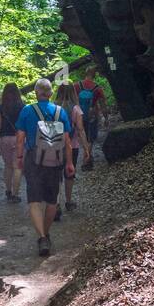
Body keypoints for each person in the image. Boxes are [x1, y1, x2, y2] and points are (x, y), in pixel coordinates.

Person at [14, 78, 74, 256]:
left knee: (34, 200)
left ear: (36, 93)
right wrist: (69, 163)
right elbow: (67, 141)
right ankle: (46, 233)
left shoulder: (27, 110)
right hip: (55, 159)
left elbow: (20, 137)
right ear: (50, 93)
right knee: (52, 201)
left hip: (34, 159)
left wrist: (19, 157)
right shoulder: (60, 111)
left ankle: (41, 237)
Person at [55, 82, 89, 215]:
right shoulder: (76, 109)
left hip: (54, 145)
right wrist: (86, 148)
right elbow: (80, 129)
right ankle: (68, 202)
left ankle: (56, 204)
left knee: (56, 174)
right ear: (73, 92)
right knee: (69, 173)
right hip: (72, 145)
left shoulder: (53, 107)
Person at [0, 82, 24, 202]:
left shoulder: (0, 108)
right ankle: (15, 195)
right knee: (17, 167)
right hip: (19, 139)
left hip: (4, 139)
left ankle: (8, 191)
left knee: (8, 166)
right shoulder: (23, 107)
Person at [77, 73, 107, 171]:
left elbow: (71, 101)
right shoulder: (98, 88)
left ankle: (86, 158)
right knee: (90, 138)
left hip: (79, 115)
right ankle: (87, 160)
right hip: (92, 115)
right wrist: (106, 118)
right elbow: (103, 104)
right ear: (95, 75)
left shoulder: (76, 86)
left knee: (83, 136)